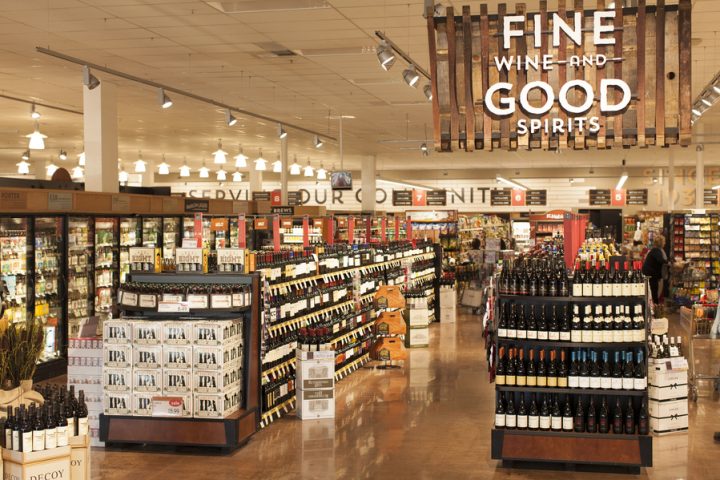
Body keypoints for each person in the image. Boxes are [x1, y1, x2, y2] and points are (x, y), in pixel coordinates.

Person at [642, 234, 669, 306]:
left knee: (653, 289)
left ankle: (654, 304)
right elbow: (660, 260)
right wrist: (668, 262)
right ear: (661, 243)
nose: (665, 243)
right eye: (664, 242)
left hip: (650, 272)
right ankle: (655, 305)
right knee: (654, 289)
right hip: (651, 273)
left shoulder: (655, 250)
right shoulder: (657, 250)